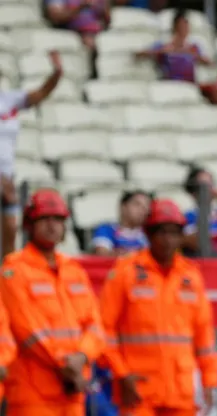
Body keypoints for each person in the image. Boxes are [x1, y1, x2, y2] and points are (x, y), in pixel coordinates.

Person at [98, 199, 217, 416]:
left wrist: (210, 380)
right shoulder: (125, 272)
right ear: (148, 234)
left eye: (174, 233)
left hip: (181, 393)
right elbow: (104, 331)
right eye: (161, 232)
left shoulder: (190, 276)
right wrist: (121, 373)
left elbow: (204, 337)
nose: (168, 239)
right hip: (137, 390)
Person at [0, 189, 105, 416]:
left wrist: (82, 357)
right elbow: (26, 329)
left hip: (73, 390)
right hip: (32, 394)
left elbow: (95, 325)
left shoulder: (74, 270)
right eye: (44, 219)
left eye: (58, 219)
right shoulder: (14, 270)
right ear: (29, 225)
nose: (52, 225)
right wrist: (65, 365)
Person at [0, 51, 63, 261]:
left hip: (6, 178)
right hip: (3, 181)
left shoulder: (9, 100)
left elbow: (42, 93)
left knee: (10, 229)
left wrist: (57, 73)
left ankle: (6, 281)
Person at [91, 190, 151, 256]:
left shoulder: (150, 234)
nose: (143, 210)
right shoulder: (106, 229)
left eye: (146, 206)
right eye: (137, 204)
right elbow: (102, 255)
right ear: (123, 207)